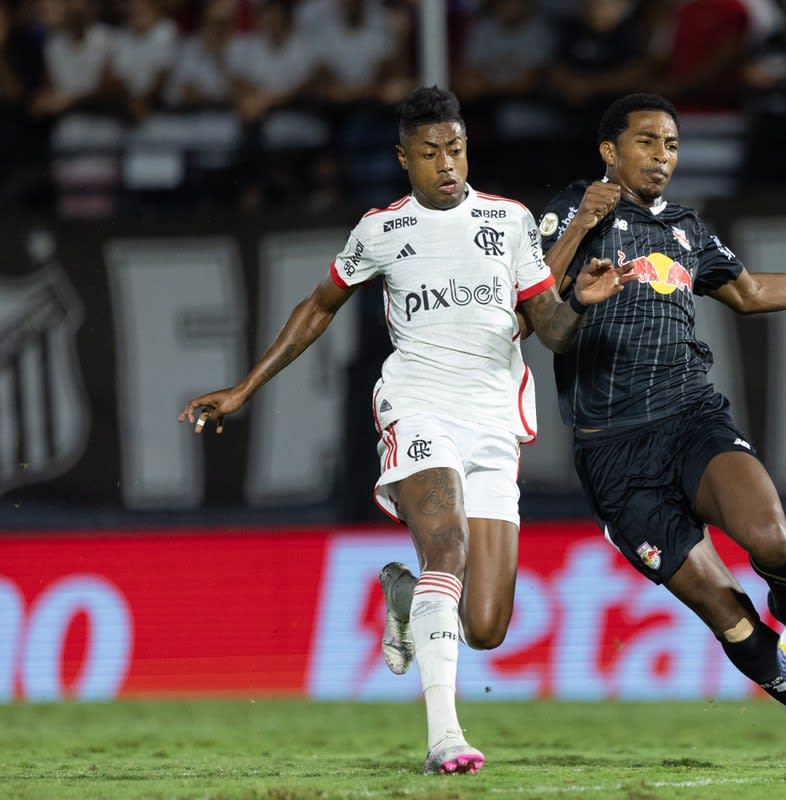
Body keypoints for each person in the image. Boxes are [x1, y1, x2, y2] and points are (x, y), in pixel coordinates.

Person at [179, 86, 633, 776]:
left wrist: (583, 302)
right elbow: (317, 307)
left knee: (486, 626)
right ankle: (444, 738)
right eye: (429, 153)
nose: (446, 164)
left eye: (454, 149)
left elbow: (553, 333)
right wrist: (245, 387)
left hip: (491, 421)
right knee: (447, 544)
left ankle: (403, 595)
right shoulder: (381, 231)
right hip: (417, 404)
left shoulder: (508, 222)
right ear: (404, 158)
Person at [533, 92, 786, 768]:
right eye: (647, 141)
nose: (663, 155)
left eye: (672, 144)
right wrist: (578, 228)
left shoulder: (688, 230)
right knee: (726, 612)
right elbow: (540, 319)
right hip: (612, 453)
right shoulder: (563, 213)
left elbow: (751, 294)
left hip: (689, 416)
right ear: (609, 150)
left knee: (772, 537)